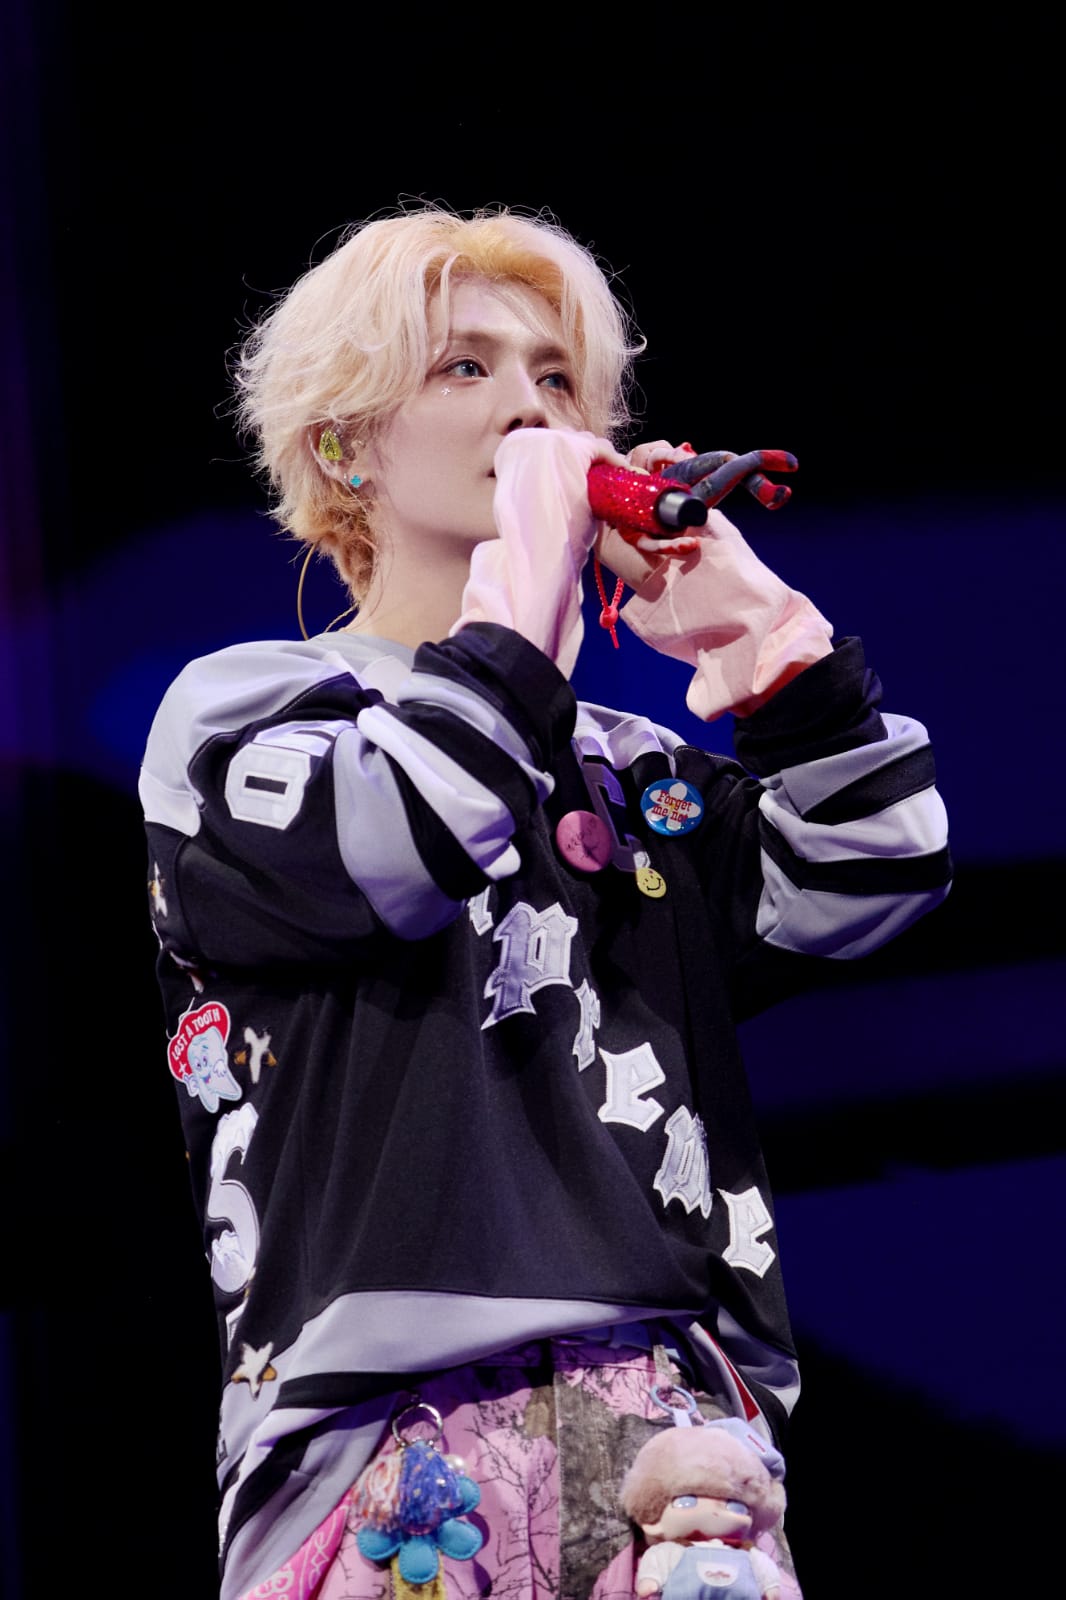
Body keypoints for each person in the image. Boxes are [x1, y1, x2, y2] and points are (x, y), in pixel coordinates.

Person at [140, 207, 951, 1600]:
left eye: (558, 379)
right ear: (344, 447)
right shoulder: (249, 711)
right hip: (382, 1444)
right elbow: (410, 829)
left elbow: (876, 862)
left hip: (672, 1429)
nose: (530, 408)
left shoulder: (629, 769)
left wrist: (754, 635)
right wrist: (525, 587)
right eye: (465, 367)